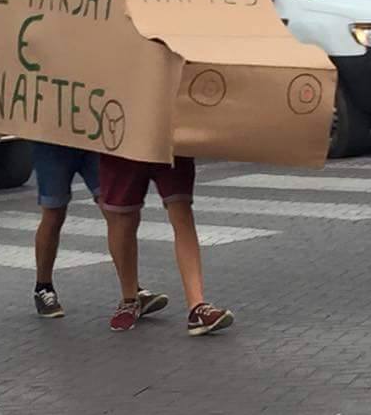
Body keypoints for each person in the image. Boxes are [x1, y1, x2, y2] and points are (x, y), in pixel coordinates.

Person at [32, 142, 169, 320]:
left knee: (113, 209)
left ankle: (131, 292)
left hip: (92, 141)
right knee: (54, 213)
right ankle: (43, 287)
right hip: (52, 144)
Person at [100, 154, 234, 335]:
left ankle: (197, 305)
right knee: (123, 219)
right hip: (125, 147)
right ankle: (130, 298)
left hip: (168, 145)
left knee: (181, 209)